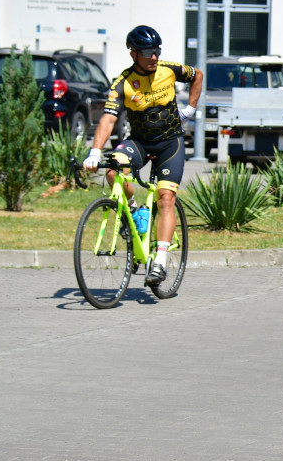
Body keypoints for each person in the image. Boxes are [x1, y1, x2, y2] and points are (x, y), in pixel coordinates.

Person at [82, 25, 203, 286]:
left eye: (157, 50)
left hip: (170, 143)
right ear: (133, 54)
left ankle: (159, 261)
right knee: (113, 170)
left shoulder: (169, 70)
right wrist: (94, 151)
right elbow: (108, 118)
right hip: (139, 142)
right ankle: (134, 213)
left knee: (165, 198)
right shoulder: (122, 83)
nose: (154, 57)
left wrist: (190, 109)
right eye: (148, 52)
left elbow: (198, 75)